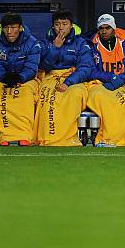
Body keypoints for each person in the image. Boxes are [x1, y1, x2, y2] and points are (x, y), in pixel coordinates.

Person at [37, 9, 93, 146]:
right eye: (57, 24)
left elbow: (85, 68)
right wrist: (55, 48)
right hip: (50, 77)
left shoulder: (81, 43)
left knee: (75, 94)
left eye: (64, 23)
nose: (61, 27)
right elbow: (43, 66)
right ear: (53, 26)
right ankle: (48, 137)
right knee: (47, 95)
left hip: (74, 79)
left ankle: (69, 138)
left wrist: (68, 83)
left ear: (71, 25)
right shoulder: (45, 43)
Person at [0, 12, 41, 146]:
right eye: (6, 28)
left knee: (25, 93)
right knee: (0, 92)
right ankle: (3, 136)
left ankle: (25, 136)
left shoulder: (33, 43)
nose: (9, 32)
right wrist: (3, 76)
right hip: (1, 78)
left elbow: (32, 67)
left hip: (26, 79)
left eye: (13, 27)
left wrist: (20, 77)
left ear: (20, 27)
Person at [86, 13, 125, 146]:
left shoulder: (124, 44)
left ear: (113, 28)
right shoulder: (92, 45)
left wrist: (119, 79)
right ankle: (106, 137)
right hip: (100, 83)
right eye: (101, 28)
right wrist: (110, 77)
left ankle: (122, 137)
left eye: (107, 28)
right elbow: (90, 71)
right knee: (100, 97)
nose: (104, 31)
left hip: (122, 82)